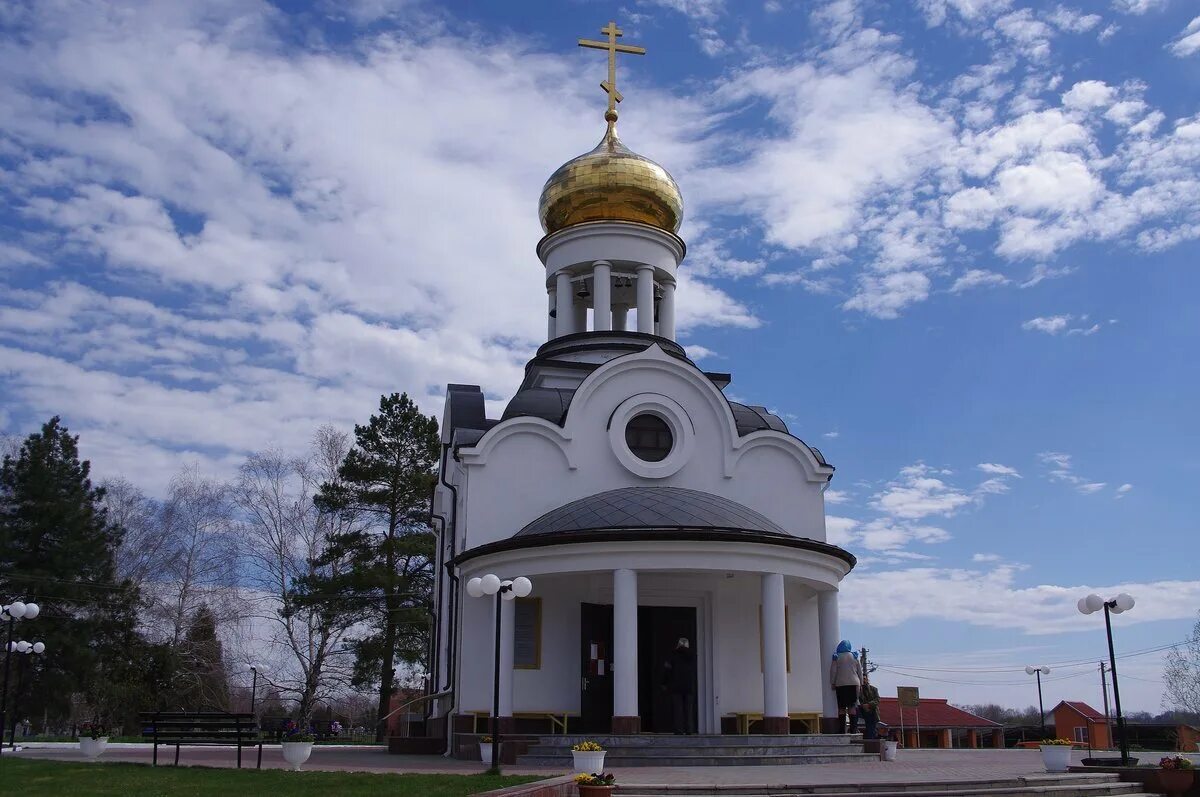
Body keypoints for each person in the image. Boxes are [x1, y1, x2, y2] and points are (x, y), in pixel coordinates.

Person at [662, 637, 696, 734]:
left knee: (678, 710)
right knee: (688, 709)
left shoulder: (673, 655)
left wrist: (664, 683)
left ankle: (679, 730)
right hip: (689, 686)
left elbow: (667, 670)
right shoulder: (692, 656)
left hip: (676, 686)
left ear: (678, 645)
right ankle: (689, 730)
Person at [829, 639, 861, 733]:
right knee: (852, 706)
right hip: (854, 683)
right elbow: (860, 671)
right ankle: (853, 728)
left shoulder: (836, 657)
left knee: (841, 708)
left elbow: (833, 671)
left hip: (841, 684)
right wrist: (861, 683)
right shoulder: (854, 656)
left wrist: (832, 682)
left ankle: (842, 729)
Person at [858, 670, 880, 739]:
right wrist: (863, 705)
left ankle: (871, 739)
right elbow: (856, 700)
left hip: (871, 710)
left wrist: (868, 705)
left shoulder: (874, 689)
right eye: (862, 679)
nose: (864, 681)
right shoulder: (857, 689)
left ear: (867, 679)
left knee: (871, 727)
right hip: (861, 710)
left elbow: (877, 700)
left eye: (865, 679)